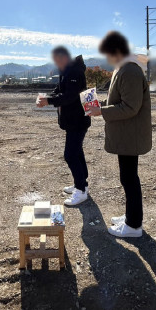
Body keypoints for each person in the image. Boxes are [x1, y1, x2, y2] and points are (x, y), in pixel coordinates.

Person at [87, 31, 152, 238]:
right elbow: (120, 101)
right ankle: (131, 217)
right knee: (128, 177)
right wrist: (100, 106)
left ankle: (133, 226)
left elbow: (130, 107)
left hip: (129, 135)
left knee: (129, 178)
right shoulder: (124, 69)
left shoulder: (130, 71)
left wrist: (102, 111)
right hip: (127, 134)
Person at [37, 46, 91, 206]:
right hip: (73, 121)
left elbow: (70, 96)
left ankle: (81, 191)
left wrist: (49, 101)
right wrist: (47, 97)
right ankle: (82, 184)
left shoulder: (75, 72)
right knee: (77, 152)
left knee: (70, 155)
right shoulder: (67, 70)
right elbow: (60, 90)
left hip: (78, 120)